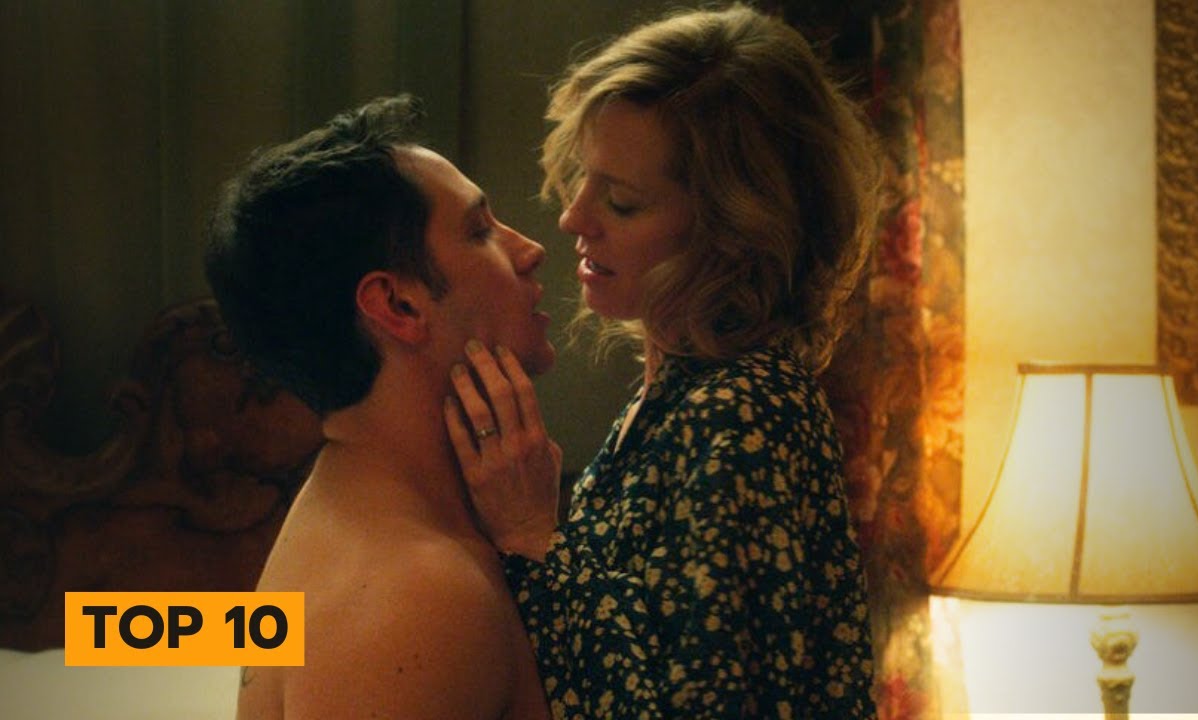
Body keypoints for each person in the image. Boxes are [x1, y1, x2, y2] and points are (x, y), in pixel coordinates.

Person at [445, 5, 881, 718]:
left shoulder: (743, 411)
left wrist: (533, 538)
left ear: (732, 231)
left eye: (621, 202)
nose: (571, 218)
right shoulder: (685, 396)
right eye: (584, 178)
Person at [205, 94, 554, 720]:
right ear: (398, 307)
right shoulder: (416, 598)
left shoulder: (368, 510)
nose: (529, 249)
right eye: (480, 231)